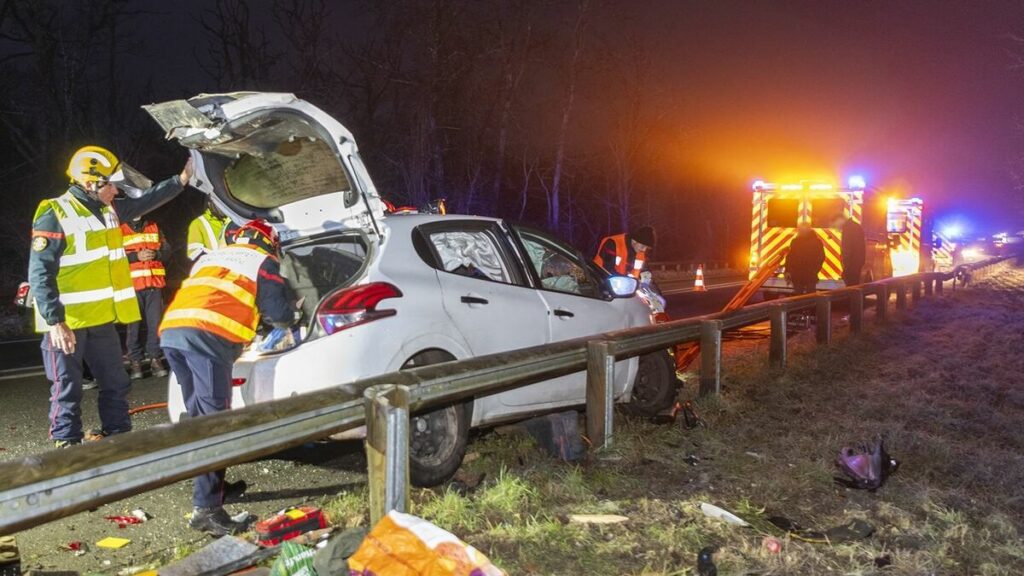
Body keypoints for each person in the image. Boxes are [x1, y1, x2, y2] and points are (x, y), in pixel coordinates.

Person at [28, 145, 193, 448]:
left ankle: (119, 439)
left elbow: (148, 198)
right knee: (67, 387)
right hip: (68, 323)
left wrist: (181, 179)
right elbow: (39, 272)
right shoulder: (54, 213)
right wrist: (55, 321)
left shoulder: (109, 211)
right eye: (109, 183)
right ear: (89, 183)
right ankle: (66, 446)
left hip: (101, 320)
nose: (116, 190)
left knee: (116, 384)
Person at [159, 219, 295, 536]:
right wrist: (292, 313)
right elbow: (277, 312)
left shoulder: (212, 256)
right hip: (207, 338)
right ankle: (206, 509)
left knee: (198, 419)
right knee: (215, 425)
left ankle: (213, 489)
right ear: (269, 242)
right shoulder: (263, 261)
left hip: (173, 334)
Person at [121, 216, 170, 379]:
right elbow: (113, 257)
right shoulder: (120, 228)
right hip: (132, 286)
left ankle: (155, 359)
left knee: (155, 325)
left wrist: (156, 254)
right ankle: (135, 362)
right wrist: (136, 257)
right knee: (133, 327)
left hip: (154, 285)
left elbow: (168, 251)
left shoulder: (154, 226)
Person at [785, 223, 825, 295]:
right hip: (804, 275)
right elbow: (790, 257)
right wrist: (815, 270)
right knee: (810, 297)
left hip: (802, 274)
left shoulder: (796, 241)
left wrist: (788, 271)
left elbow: (790, 258)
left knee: (799, 297)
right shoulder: (816, 242)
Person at [187, 198, 230, 262]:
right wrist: (216, 260)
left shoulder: (233, 219)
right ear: (210, 204)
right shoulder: (199, 222)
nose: (223, 206)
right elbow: (193, 253)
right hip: (218, 267)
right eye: (219, 203)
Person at [834, 213, 865, 287]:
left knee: (851, 287)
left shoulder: (848, 229)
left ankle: (851, 298)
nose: (836, 225)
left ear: (840, 220)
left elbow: (847, 249)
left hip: (852, 265)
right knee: (854, 287)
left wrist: (846, 268)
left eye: (836, 222)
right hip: (856, 263)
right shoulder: (855, 226)